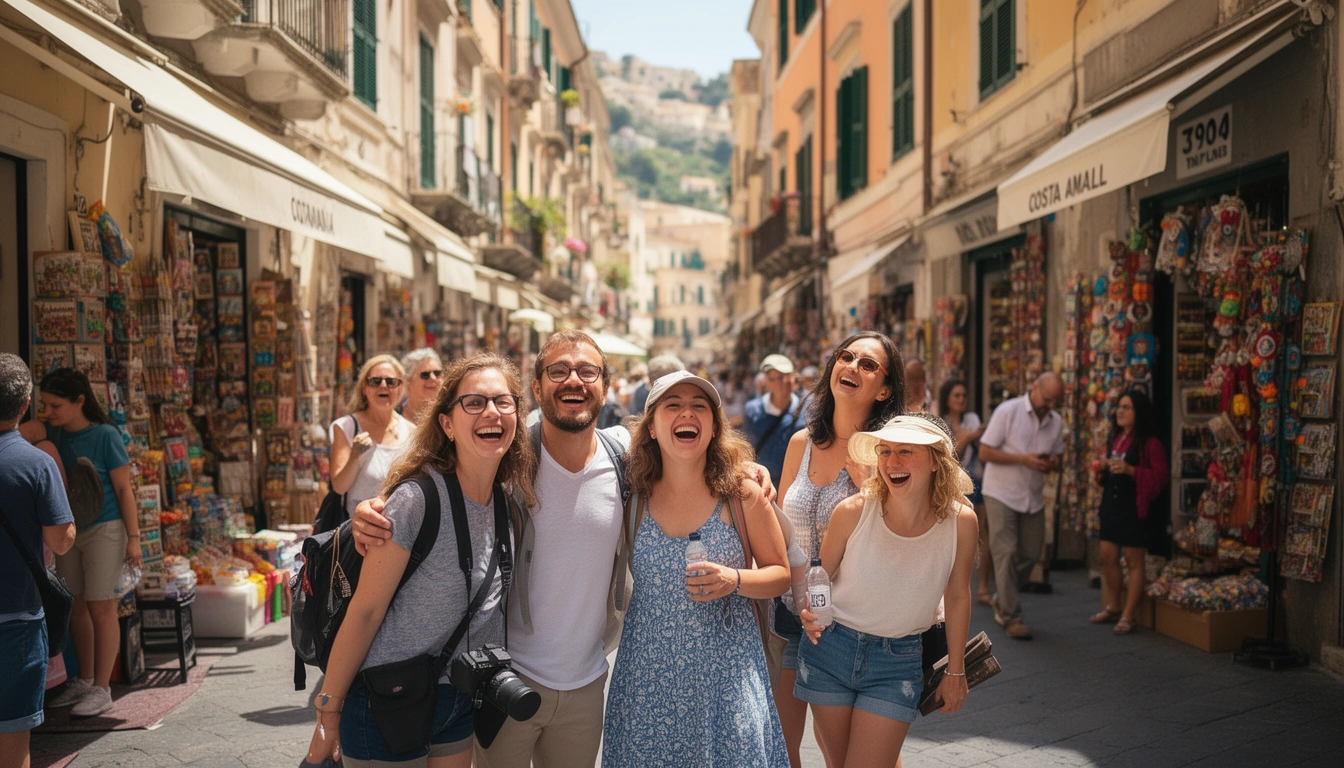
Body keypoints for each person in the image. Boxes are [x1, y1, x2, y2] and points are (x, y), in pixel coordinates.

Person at [351, 333, 777, 767]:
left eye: (587, 371)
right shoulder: (508, 458)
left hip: (586, 686)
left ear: (605, 388)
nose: (574, 380)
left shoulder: (624, 459)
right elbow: (445, 477)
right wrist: (374, 508)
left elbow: (683, 448)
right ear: (536, 389)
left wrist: (746, 468)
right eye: (558, 371)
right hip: (505, 681)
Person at [305, 352, 532, 767]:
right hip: (387, 698)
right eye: (474, 402)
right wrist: (328, 712)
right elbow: (367, 612)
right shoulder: (417, 500)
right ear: (447, 423)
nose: (492, 412)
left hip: (457, 699)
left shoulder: (506, 503)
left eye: (504, 401)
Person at [602, 371, 790, 766]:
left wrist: (734, 580)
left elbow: (780, 574)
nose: (687, 413)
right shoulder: (632, 495)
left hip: (727, 682)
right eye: (673, 405)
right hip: (645, 686)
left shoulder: (742, 493)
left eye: (698, 406)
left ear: (714, 426)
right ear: (651, 427)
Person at [797, 415, 979, 766]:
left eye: (905, 452)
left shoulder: (961, 523)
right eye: (885, 452)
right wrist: (808, 609)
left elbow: (958, 596)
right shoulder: (852, 512)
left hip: (898, 661)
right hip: (830, 649)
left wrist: (956, 672)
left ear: (935, 462)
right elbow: (818, 579)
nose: (892, 462)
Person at [771, 331, 905, 768]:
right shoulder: (801, 442)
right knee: (780, 748)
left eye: (868, 364)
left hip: (853, 623)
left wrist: (872, 478)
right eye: (846, 357)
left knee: (849, 759)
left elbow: (903, 535)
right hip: (794, 615)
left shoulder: (892, 453)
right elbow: (778, 524)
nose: (852, 367)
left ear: (884, 389)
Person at [17, 368, 137, 718]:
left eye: (56, 405)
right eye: (44, 405)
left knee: (103, 608)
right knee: (76, 609)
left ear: (79, 401)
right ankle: (85, 680)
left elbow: (124, 489)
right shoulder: (50, 430)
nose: (48, 411)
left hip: (106, 529)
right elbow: (17, 434)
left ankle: (103, 688)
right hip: (68, 530)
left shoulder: (105, 435)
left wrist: (134, 539)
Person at [0, 354, 76, 762]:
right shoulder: (37, 463)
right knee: (14, 748)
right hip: (17, 619)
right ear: (25, 403)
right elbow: (61, 541)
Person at [977, 372, 1065, 640]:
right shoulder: (1008, 411)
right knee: (1005, 551)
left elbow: (1059, 459)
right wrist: (1023, 460)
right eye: (1046, 399)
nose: (1049, 405)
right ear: (1033, 388)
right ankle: (1011, 617)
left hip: (1032, 497)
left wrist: (1051, 463)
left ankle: (1003, 597)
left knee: (1029, 553)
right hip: (1000, 492)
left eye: (1055, 402)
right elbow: (984, 452)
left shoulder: (1056, 422)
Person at [1090, 389, 1168, 635]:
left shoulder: (1150, 443)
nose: (1120, 412)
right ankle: (1114, 603)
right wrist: (1104, 468)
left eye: (1127, 407)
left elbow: (1161, 477)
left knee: (1135, 560)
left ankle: (1129, 613)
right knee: (1107, 556)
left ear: (1139, 413)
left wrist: (1131, 470)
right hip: (1113, 503)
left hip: (1135, 506)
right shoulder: (1117, 437)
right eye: (1119, 407)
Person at [330, 355, 415, 521]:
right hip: (359, 533)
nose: (383, 386)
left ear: (400, 387)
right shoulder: (346, 427)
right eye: (375, 381)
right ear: (364, 387)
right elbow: (339, 487)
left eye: (391, 382)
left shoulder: (412, 432)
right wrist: (355, 455)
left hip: (402, 531)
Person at [938, 379, 992, 605]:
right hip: (953, 481)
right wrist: (969, 436)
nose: (961, 400)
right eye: (956, 396)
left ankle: (982, 587)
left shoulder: (972, 419)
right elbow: (951, 455)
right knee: (953, 534)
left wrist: (969, 436)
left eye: (963, 395)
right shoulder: (942, 422)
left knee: (982, 529)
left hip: (975, 477)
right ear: (947, 399)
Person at [742, 354, 807, 487]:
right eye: (776, 378)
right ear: (767, 382)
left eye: (786, 376)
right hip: (762, 484)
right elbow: (748, 449)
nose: (783, 382)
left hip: (795, 485)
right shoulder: (753, 410)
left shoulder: (806, 410)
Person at [400, 348, 446, 424]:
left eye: (437, 373)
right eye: (425, 375)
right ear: (408, 382)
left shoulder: (451, 415)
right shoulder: (393, 418)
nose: (433, 378)